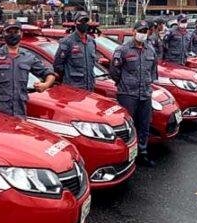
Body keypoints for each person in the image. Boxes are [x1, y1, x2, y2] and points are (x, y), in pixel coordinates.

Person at [109, 20, 159, 166]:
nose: (142, 34)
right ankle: (126, 156)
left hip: (145, 94)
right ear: (133, 31)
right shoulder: (122, 50)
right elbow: (114, 71)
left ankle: (142, 153)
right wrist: (124, 83)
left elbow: (153, 71)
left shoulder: (150, 50)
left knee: (144, 125)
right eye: (140, 31)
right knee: (128, 127)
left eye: (145, 31)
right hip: (127, 94)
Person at [53, 11, 97, 92]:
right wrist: (67, 78)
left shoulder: (91, 42)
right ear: (75, 23)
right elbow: (58, 65)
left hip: (89, 87)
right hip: (73, 89)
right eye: (81, 21)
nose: (84, 23)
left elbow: (92, 64)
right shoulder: (67, 42)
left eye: (86, 21)